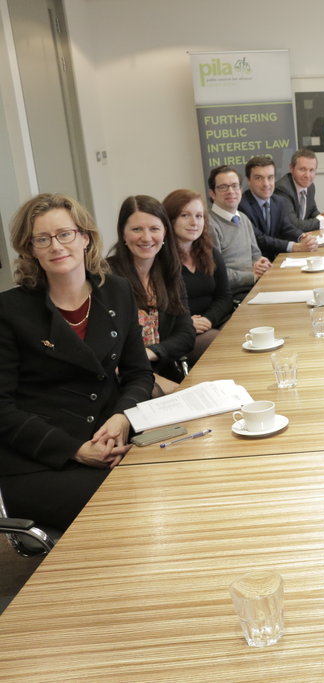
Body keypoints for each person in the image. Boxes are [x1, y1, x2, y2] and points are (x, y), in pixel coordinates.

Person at [0, 193, 153, 531]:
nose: (56, 246)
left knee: (177, 476)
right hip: (43, 460)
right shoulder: (9, 310)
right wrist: (76, 450)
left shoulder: (117, 291)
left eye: (65, 234)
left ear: (85, 238)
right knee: (134, 505)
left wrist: (122, 417)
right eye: (42, 239)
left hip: (110, 439)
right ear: (31, 249)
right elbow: (2, 408)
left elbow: (139, 373)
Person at [106, 195, 195, 396]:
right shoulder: (107, 277)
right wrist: (141, 362)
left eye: (154, 229)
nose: (146, 238)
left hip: (161, 367)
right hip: (123, 377)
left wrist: (152, 352)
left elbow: (186, 334)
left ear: (165, 233)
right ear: (123, 233)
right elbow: (109, 349)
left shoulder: (170, 273)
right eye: (137, 229)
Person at [163, 189, 233, 365]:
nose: (194, 222)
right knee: (222, 344)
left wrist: (208, 319)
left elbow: (225, 297)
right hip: (182, 332)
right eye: (185, 215)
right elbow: (162, 307)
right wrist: (186, 323)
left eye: (199, 216)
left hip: (213, 322)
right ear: (170, 219)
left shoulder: (210, 253)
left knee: (245, 334)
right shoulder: (161, 259)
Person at [205, 165, 272, 301]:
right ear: (212, 193)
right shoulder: (209, 225)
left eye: (235, 186)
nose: (231, 191)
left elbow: (255, 255)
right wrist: (252, 276)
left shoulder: (244, 218)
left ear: (241, 190)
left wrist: (261, 263)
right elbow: (216, 274)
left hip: (253, 286)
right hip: (231, 295)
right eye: (223, 187)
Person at [238, 155, 318, 261]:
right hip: (256, 263)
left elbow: (286, 227)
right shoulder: (242, 205)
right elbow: (259, 239)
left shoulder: (278, 201)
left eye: (270, 177)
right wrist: (293, 247)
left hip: (276, 260)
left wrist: (303, 237)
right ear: (248, 180)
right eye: (258, 178)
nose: (266, 184)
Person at [275, 149, 324, 232]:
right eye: (302, 169)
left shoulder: (310, 186)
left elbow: (312, 212)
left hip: (303, 236)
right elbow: (294, 225)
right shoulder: (282, 189)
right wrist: (323, 220)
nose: (307, 175)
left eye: (311, 170)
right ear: (291, 168)